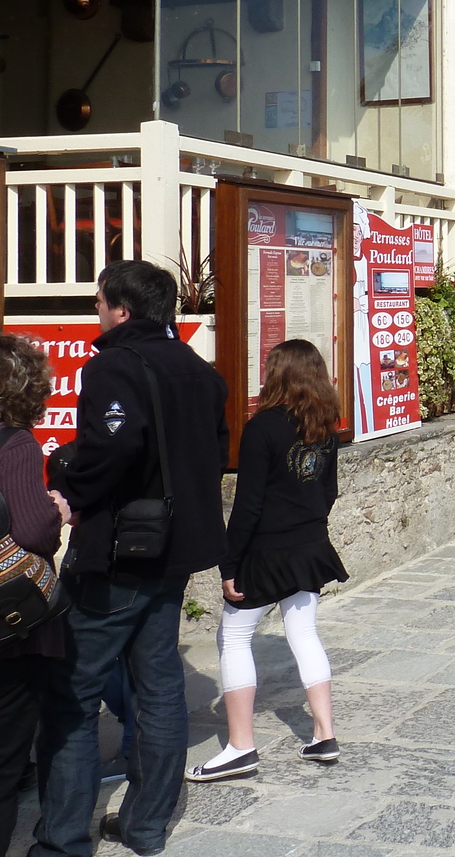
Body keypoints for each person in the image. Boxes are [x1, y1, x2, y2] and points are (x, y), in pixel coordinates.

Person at [33, 259, 230, 857]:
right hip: (176, 549)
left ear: (120, 308)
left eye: (97, 303)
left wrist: (69, 479)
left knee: (72, 690)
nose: (96, 312)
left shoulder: (114, 364)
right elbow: (213, 453)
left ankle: (63, 840)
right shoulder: (199, 370)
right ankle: (146, 825)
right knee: (160, 684)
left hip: (121, 552)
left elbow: (114, 446)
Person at [187, 340, 348, 783]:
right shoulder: (325, 426)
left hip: (266, 551)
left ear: (278, 375)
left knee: (234, 637)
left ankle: (241, 747)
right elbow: (328, 491)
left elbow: (248, 506)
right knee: (304, 633)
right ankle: (324, 733)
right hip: (310, 546)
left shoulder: (263, 428)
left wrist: (229, 564)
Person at [0, 336, 69, 853]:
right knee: (4, 765)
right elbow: (34, 532)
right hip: (9, 628)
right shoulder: (16, 443)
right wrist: (58, 512)